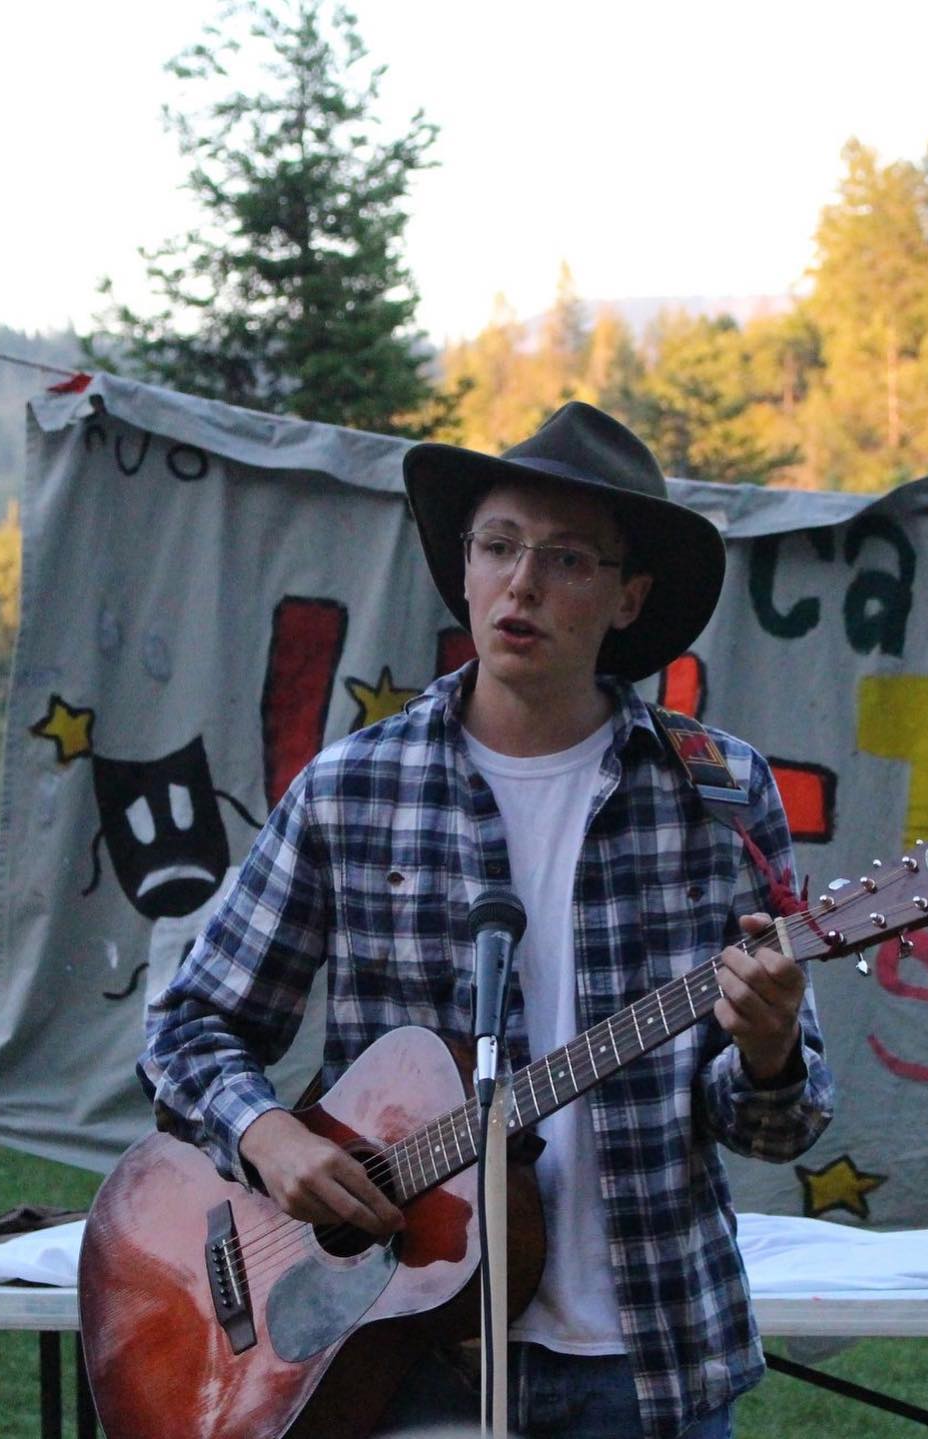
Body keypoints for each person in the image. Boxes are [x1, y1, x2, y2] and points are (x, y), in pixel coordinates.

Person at [140, 401, 835, 1439]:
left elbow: (778, 1123)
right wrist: (270, 1136)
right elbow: (188, 1027)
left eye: (566, 559)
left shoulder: (717, 791)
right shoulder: (354, 788)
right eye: (498, 546)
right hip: (397, 1346)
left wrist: (770, 1048)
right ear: (464, 568)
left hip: (649, 1354)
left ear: (629, 597)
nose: (522, 583)